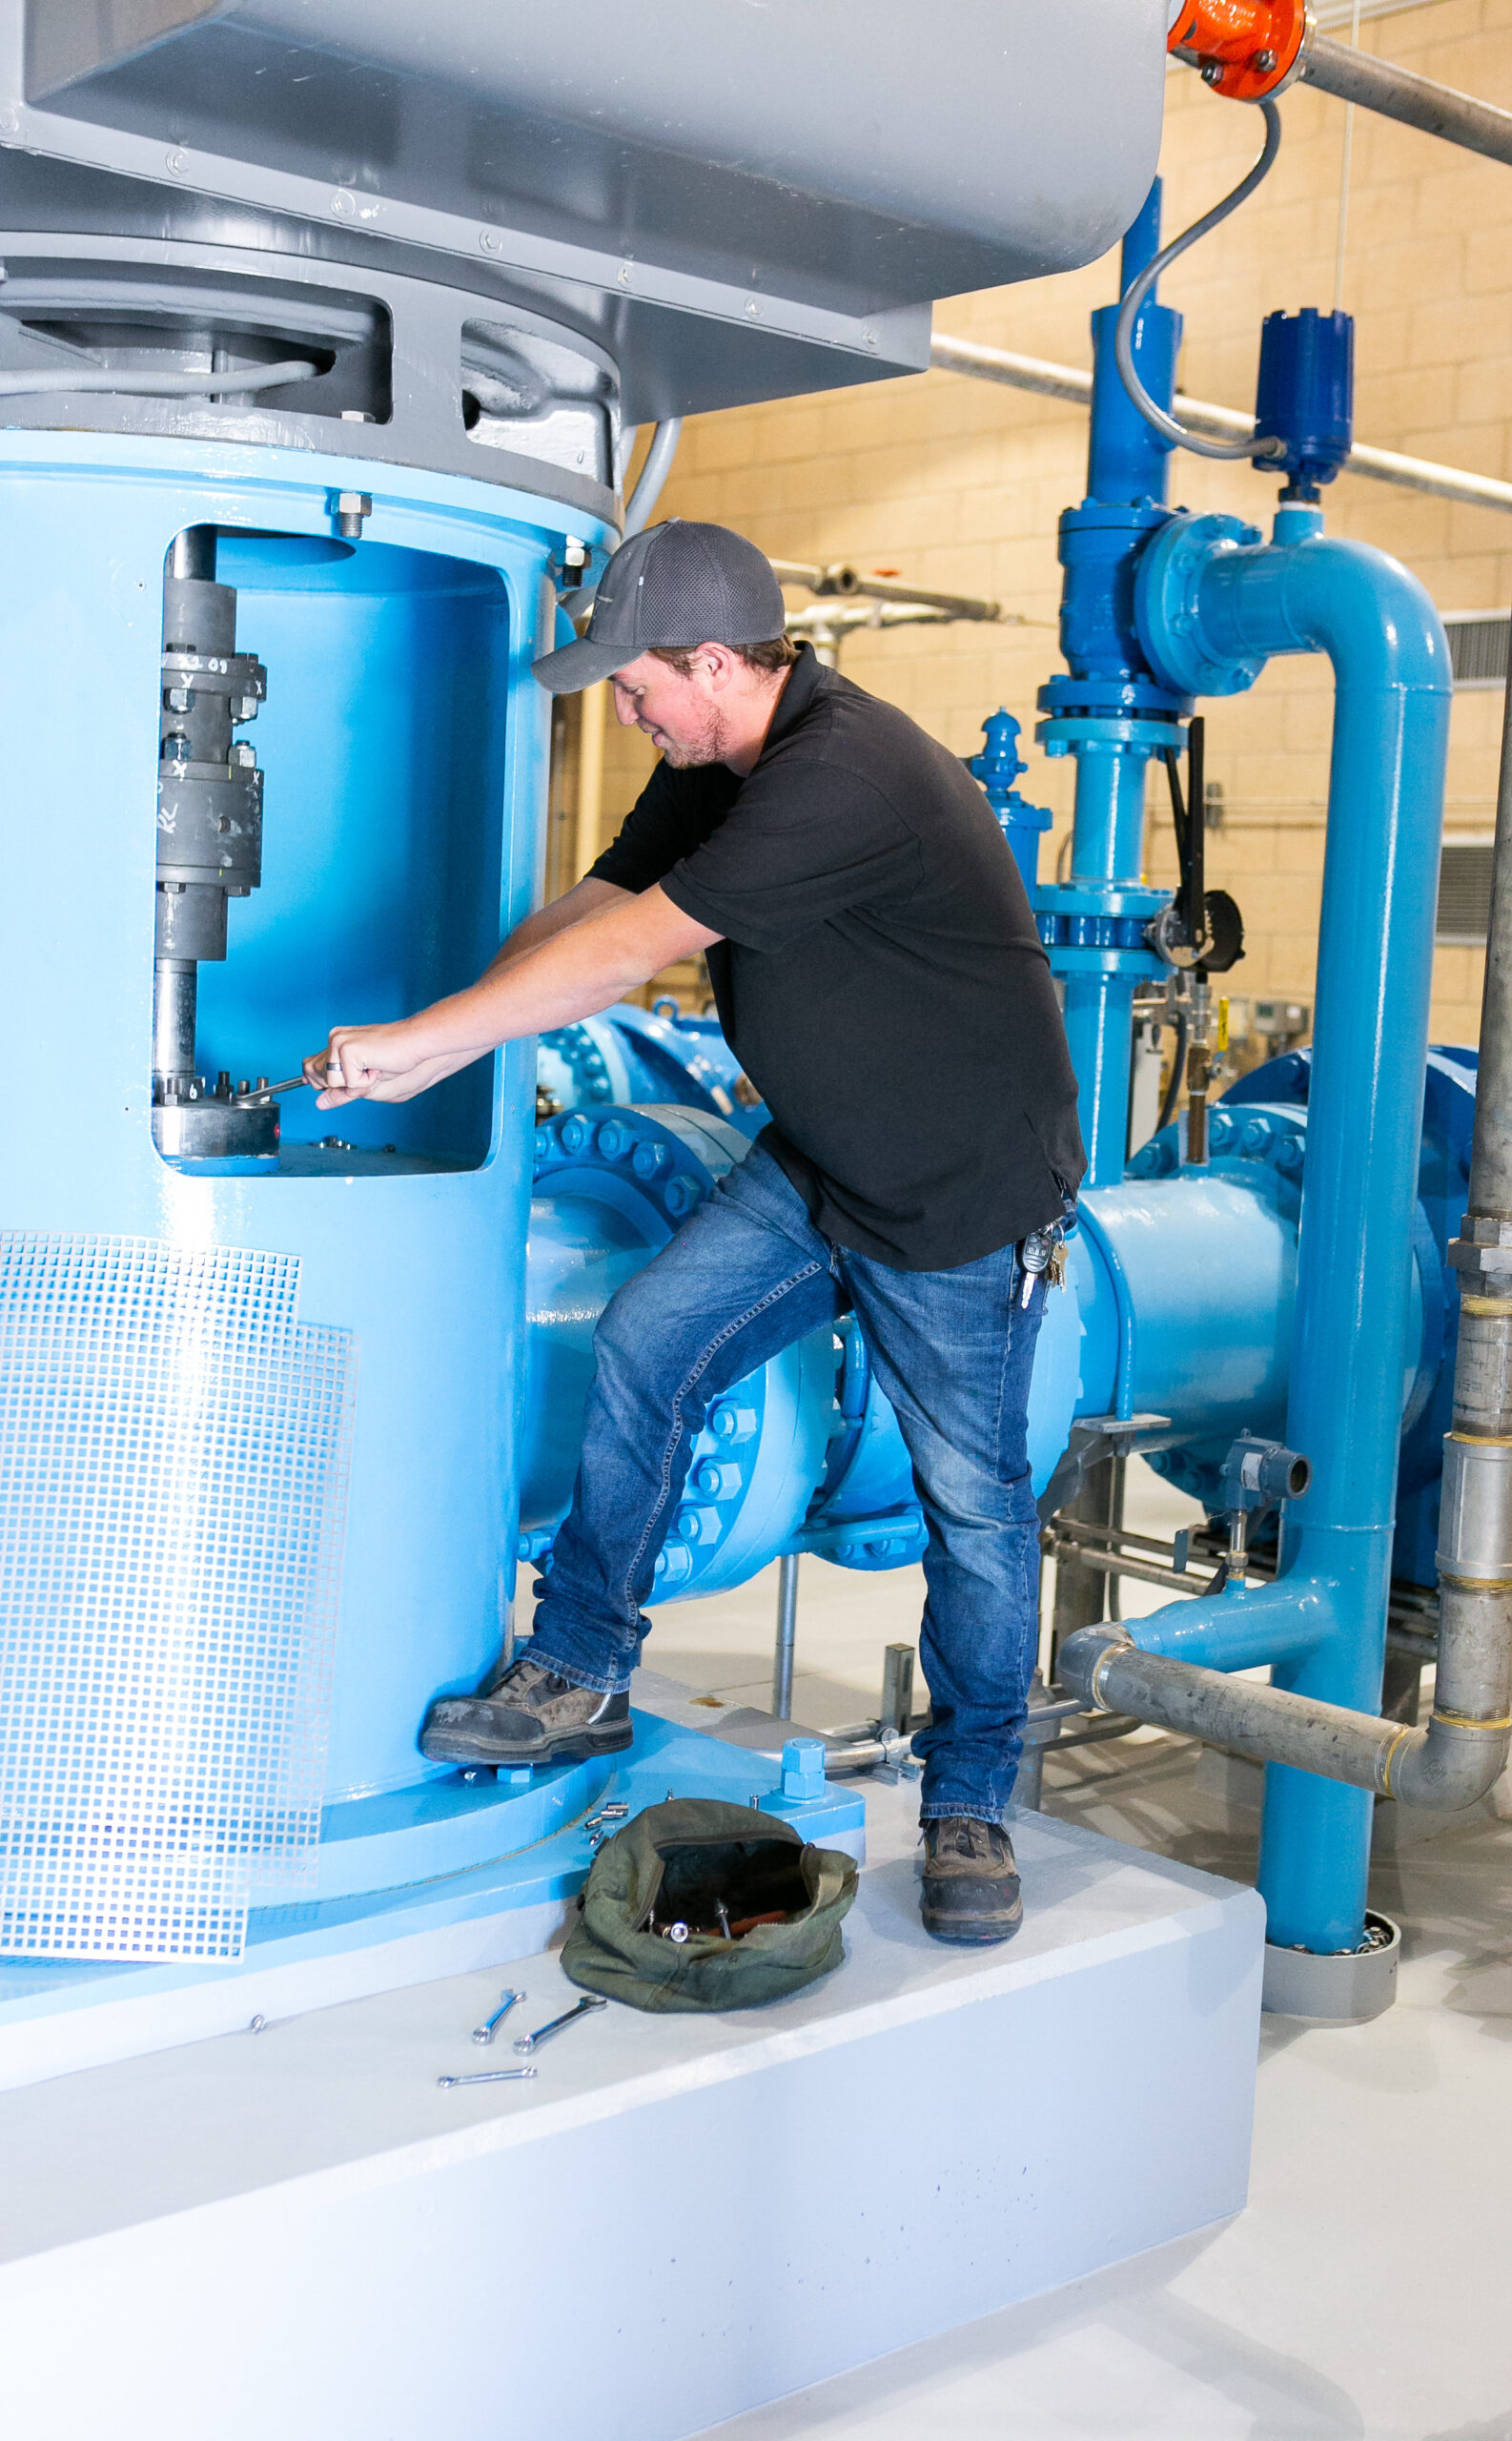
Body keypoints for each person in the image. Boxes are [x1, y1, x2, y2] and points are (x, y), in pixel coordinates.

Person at [305, 520, 1084, 1945]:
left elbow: (630, 953)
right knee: (650, 1341)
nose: (625, 708)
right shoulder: (712, 763)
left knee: (973, 1513)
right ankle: (583, 1671)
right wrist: (449, 1037)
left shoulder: (839, 778)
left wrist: (427, 1043)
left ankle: (972, 1800)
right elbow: (589, 907)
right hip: (825, 1164)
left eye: (636, 683)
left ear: (717, 663)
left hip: (958, 1197)